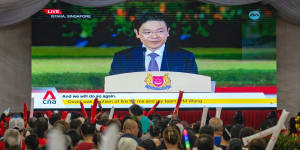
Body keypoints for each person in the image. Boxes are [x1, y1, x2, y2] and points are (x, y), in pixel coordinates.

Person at [109, 12, 198, 75]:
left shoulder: (186, 58)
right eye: (147, 32)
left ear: (168, 32)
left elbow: (193, 89)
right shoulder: (121, 59)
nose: (154, 36)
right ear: (137, 33)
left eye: (160, 31)